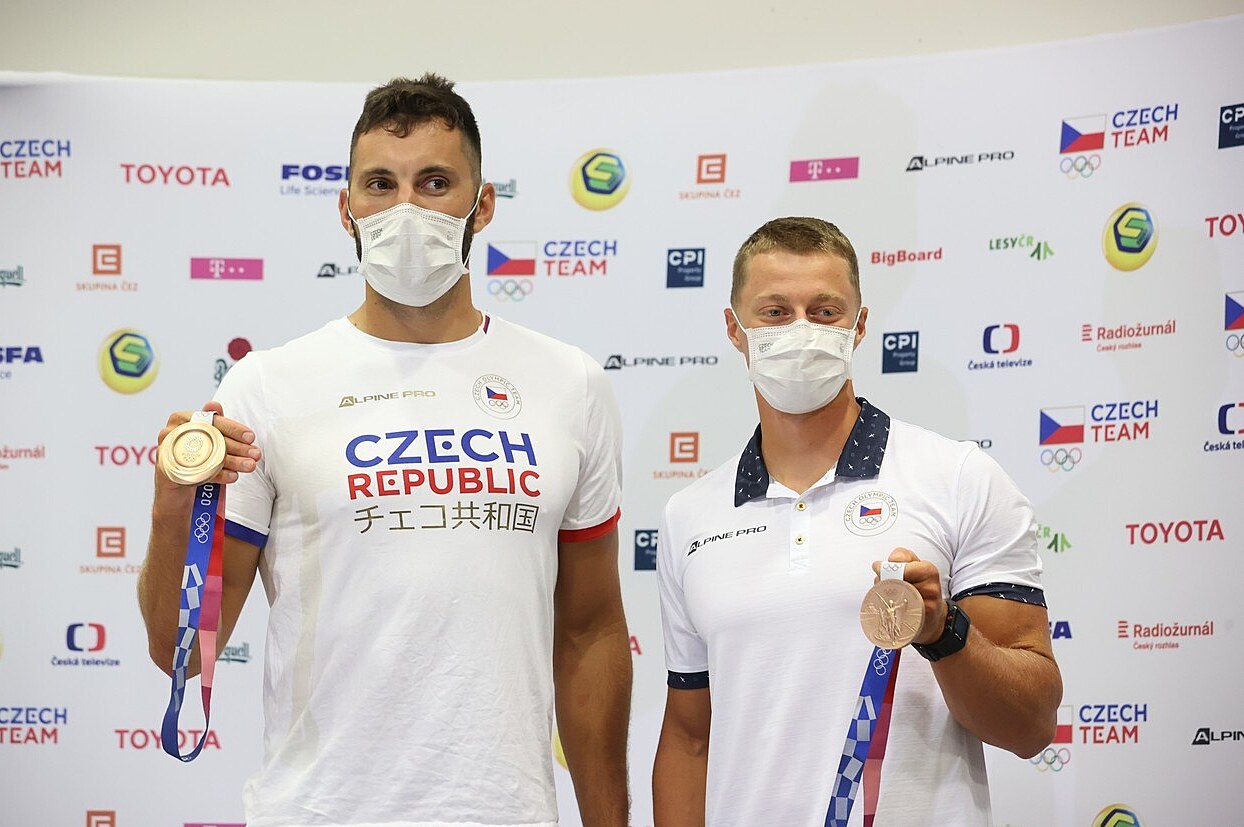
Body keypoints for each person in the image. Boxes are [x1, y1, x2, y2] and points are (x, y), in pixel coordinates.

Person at [138, 74, 632, 827]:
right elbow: (180, 647)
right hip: (319, 811)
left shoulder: (571, 383)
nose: (406, 208)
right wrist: (172, 507)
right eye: (380, 184)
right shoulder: (267, 385)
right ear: (347, 209)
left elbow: (591, 632)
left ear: (482, 204)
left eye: (434, 183)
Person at [651, 217, 1061, 826]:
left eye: (824, 312)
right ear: (735, 329)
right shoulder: (689, 515)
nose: (800, 331)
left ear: (859, 326)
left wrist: (944, 632)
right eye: (774, 312)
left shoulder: (958, 478)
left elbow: (1030, 726)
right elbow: (689, 738)